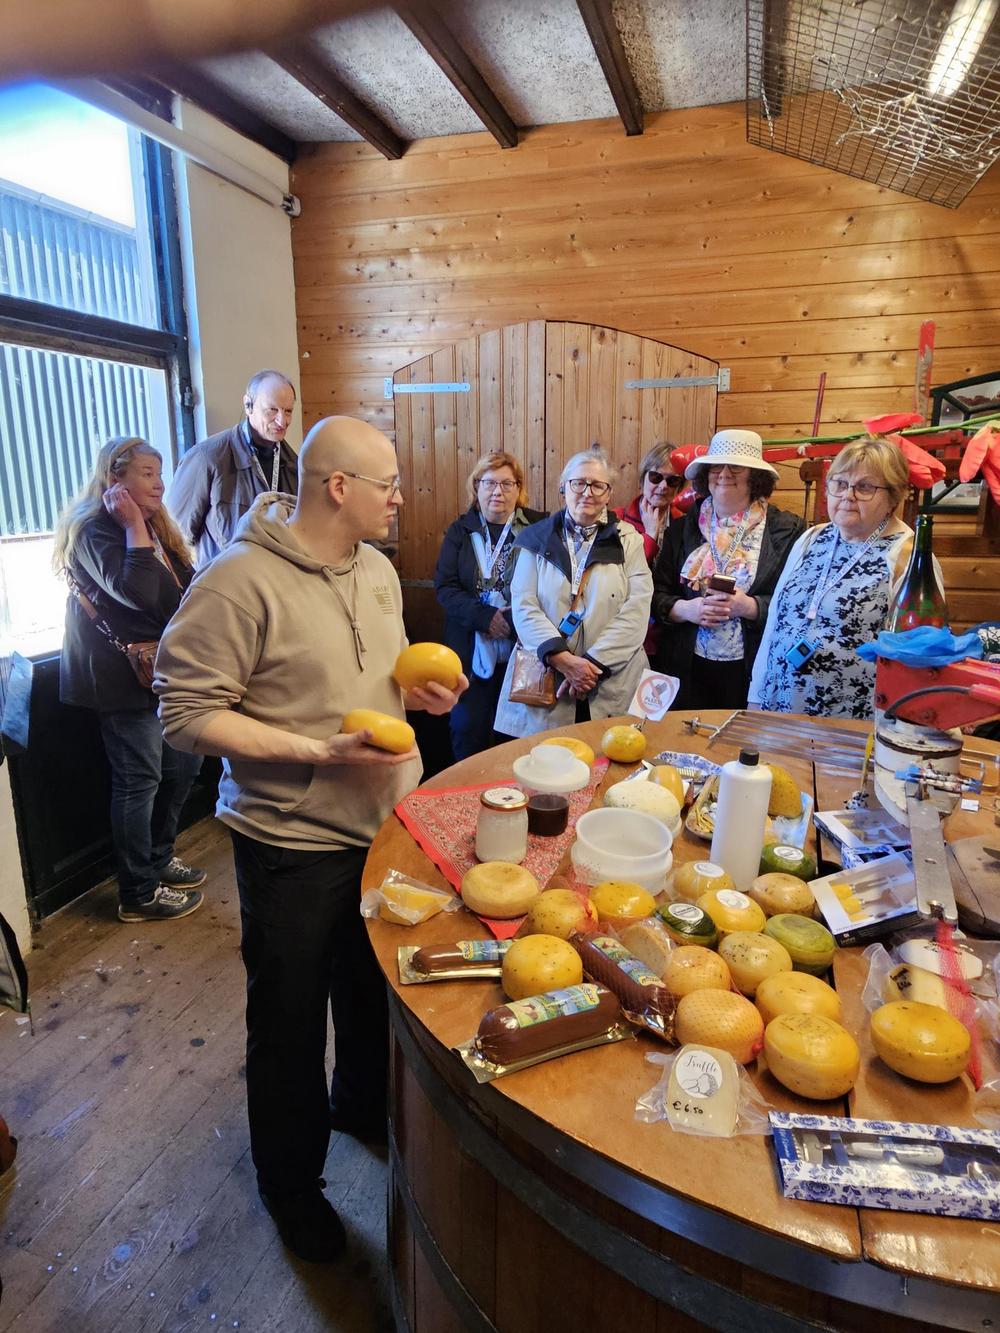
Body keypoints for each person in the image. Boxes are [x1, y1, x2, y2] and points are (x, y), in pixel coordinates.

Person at [155, 416, 467, 1264]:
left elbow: (376, 670)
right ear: (338, 487)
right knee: (288, 1022)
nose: (399, 498)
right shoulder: (238, 581)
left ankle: (358, 1108)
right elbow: (184, 713)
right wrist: (316, 751)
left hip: (384, 832)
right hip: (289, 841)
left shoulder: (374, 567)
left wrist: (416, 692)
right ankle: (290, 1187)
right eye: (388, 484)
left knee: (369, 992)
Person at [53, 437, 206, 923]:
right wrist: (134, 526)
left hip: (166, 669)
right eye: (146, 473)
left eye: (159, 473)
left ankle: (158, 860)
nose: (159, 484)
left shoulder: (157, 527)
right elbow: (136, 591)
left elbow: (183, 590)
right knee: (139, 780)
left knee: (184, 767)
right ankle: (137, 892)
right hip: (120, 678)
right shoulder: (94, 528)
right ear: (113, 479)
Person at [748, 437, 919, 718]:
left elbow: (916, 658)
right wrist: (755, 695)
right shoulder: (812, 538)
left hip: (852, 723)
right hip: (779, 708)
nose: (848, 495)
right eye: (840, 483)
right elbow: (775, 620)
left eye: (865, 487)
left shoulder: (908, 556)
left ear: (893, 496)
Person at [494, 446, 652, 737]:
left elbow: (637, 609)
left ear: (608, 494)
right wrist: (562, 660)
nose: (587, 493)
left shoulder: (629, 541)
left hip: (610, 681)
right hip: (549, 679)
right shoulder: (535, 538)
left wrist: (589, 667)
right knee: (548, 758)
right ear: (563, 488)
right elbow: (524, 605)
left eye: (598, 485)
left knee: (613, 753)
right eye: (578, 483)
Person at [652, 429, 803, 710]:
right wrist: (686, 609)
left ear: (755, 477)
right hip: (686, 668)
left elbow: (797, 604)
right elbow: (657, 594)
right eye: (716, 467)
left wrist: (751, 607)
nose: (723, 474)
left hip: (751, 670)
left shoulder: (787, 531)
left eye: (735, 467)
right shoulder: (681, 529)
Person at [434, 452, 545, 760]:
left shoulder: (539, 528)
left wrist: (514, 621)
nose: (498, 491)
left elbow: (551, 586)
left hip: (523, 650)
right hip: (471, 650)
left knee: (517, 740)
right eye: (489, 483)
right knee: (468, 731)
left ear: (518, 488)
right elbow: (445, 587)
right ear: (476, 487)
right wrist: (485, 618)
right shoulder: (460, 531)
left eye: (507, 484)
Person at [167, 369, 298, 566]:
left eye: (288, 411)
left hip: (275, 579)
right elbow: (173, 538)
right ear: (248, 405)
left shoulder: (295, 464)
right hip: (224, 581)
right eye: (272, 410)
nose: (282, 421)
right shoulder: (206, 457)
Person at [614, 441, 685, 658]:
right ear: (643, 478)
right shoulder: (616, 520)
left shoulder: (685, 525)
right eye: (656, 477)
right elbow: (620, 578)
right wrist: (650, 535)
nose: (663, 486)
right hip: (624, 632)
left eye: (672, 480)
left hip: (668, 635)